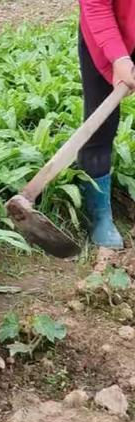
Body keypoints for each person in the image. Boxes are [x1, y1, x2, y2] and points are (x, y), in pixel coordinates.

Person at [78, 0, 135, 248]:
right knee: (101, 125)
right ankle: (100, 214)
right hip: (108, 34)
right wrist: (119, 58)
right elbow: (96, 5)